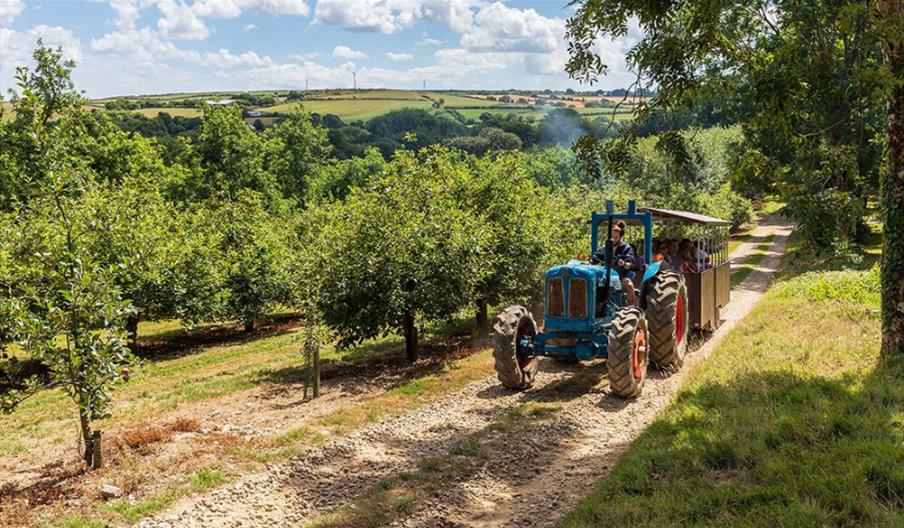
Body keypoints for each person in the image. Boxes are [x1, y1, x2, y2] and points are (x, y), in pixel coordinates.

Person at [593, 220, 637, 305]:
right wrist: (591, 261)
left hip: (619, 277)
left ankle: (632, 307)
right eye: (612, 237)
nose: (614, 239)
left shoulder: (626, 248)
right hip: (604, 276)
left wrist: (624, 263)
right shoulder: (604, 248)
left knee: (629, 284)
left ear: (620, 236)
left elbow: (629, 262)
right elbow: (596, 257)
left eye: (616, 237)